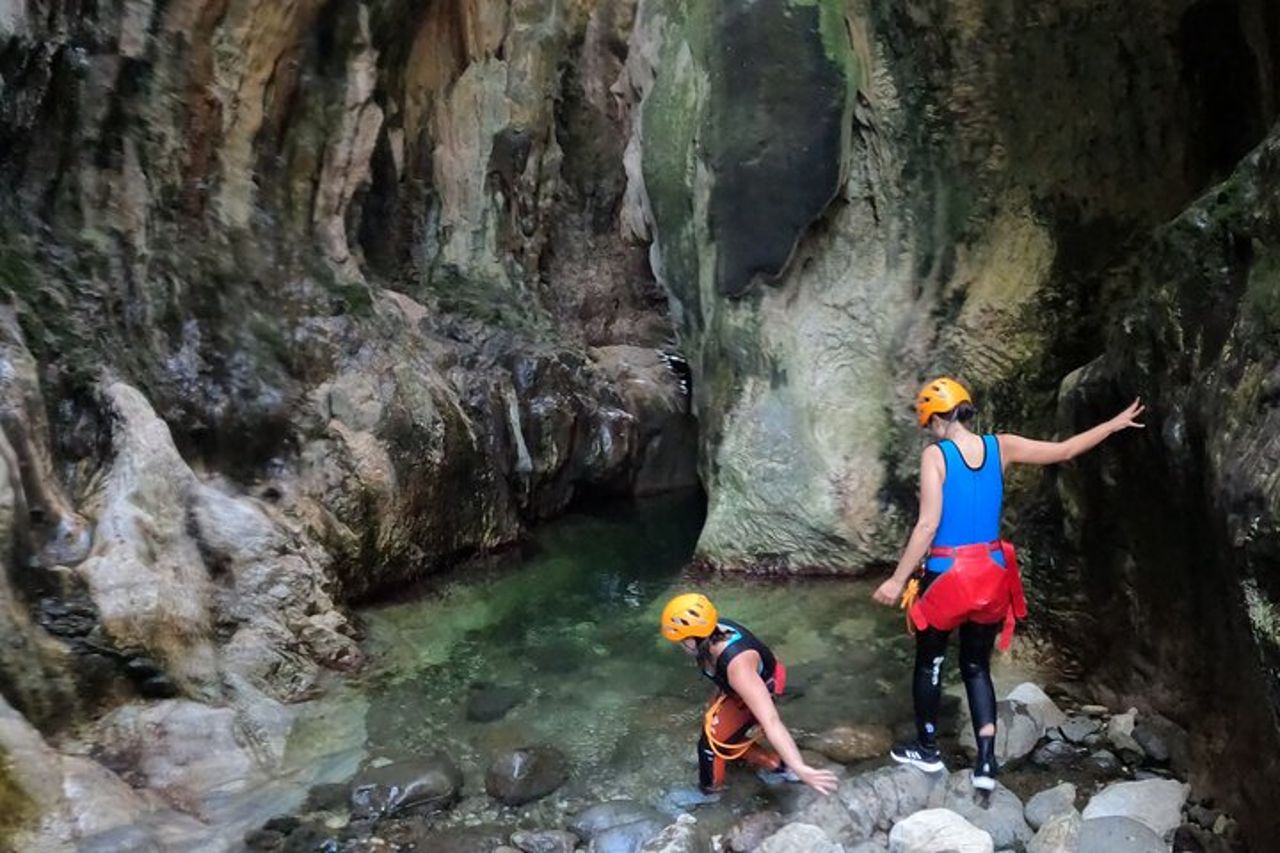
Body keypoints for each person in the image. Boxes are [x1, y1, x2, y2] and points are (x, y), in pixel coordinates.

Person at [871, 377, 1144, 790]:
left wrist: (897, 579)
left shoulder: (936, 456)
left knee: (931, 660)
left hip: (947, 576)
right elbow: (1066, 450)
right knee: (977, 665)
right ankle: (985, 763)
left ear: (937, 419)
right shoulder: (1003, 446)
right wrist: (1112, 424)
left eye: (928, 422)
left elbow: (928, 524)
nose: (928, 430)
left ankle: (927, 750)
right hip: (992, 574)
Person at [660, 593, 839, 796]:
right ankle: (776, 766)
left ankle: (709, 795)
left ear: (693, 640)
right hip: (749, 679)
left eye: (682, 641)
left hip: (760, 684)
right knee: (722, 733)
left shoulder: (738, 668)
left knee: (709, 748)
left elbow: (771, 721)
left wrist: (801, 767)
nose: (680, 645)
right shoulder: (714, 630)